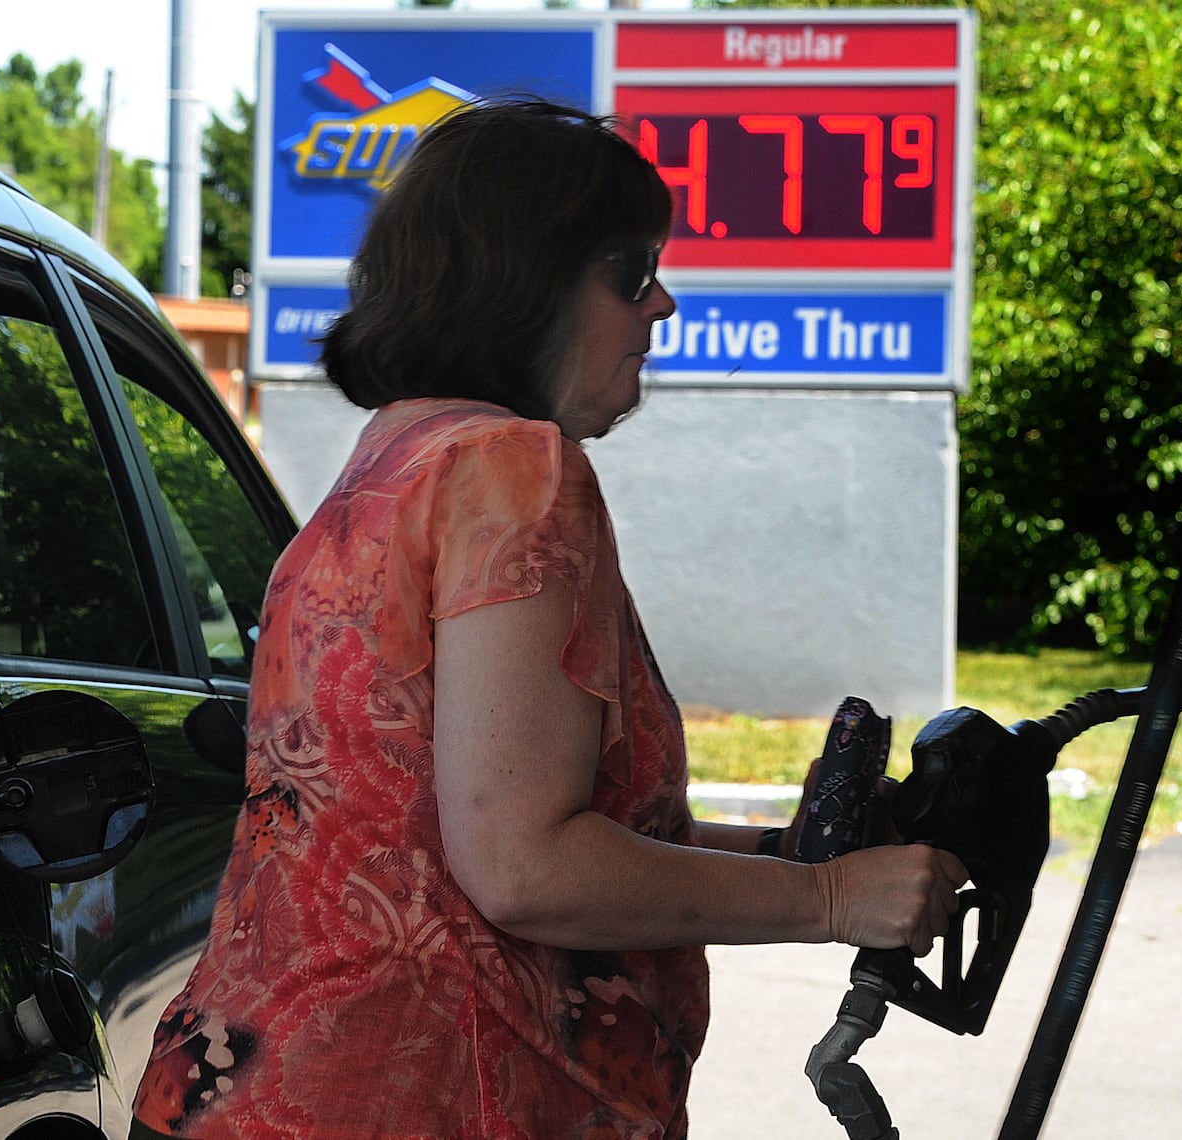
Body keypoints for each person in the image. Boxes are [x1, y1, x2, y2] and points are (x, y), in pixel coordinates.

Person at [130, 98, 967, 1140]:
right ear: (523, 282)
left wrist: (782, 856)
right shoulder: (514, 471)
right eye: (630, 270)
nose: (660, 304)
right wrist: (832, 902)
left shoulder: (393, 465)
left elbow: (447, 832)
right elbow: (525, 867)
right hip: (426, 1098)